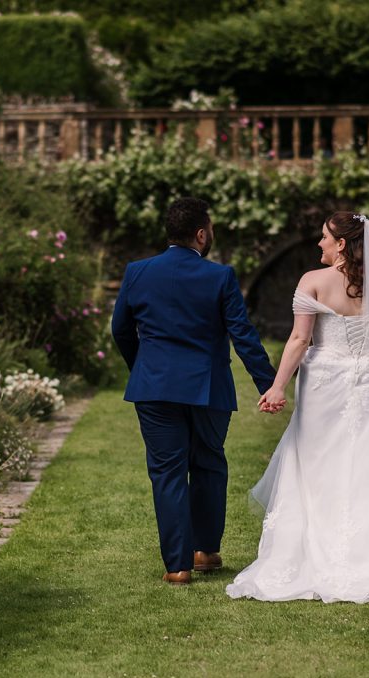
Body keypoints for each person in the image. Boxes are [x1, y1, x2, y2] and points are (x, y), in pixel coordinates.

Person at [226, 211, 369, 603]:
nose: (319, 243)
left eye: (324, 237)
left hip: (326, 385)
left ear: (341, 244)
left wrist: (277, 387)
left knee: (317, 467)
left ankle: (313, 557)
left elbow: (298, 339)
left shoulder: (313, 281)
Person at [111, 197, 280, 586]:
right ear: (201, 234)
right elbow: (243, 334)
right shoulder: (219, 276)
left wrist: (143, 368)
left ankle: (178, 566)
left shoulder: (137, 272)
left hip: (154, 389)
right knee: (208, 464)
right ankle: (205, 550)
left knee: (167, 472)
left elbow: (121, 329)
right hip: (207, 389)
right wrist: (268, 384)